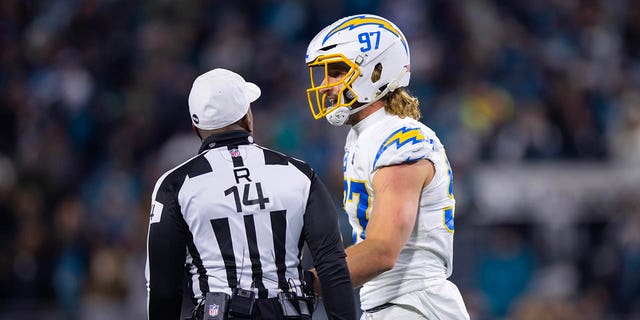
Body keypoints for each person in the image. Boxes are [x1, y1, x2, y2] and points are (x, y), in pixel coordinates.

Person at [145, 68, 356, 320]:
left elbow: (163, 290)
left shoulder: (175, 185)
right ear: (247, 116)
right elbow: (332, 266)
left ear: (195, 127)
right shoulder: (299, 173)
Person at [304, 14, 470, 319]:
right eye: (323, 75)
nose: (326, 86)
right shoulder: (366, 135)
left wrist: (302, 285)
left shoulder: (401, 140)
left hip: (415, 305)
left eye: (337, 72)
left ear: (377, 71)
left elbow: (382, 250)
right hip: (392, 305)